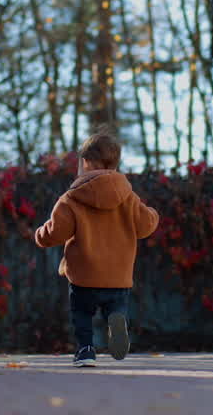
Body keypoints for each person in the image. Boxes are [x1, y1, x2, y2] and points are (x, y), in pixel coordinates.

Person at [33, 128, 159, 367]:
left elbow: (56, 231)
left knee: (82, 316)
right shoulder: (128, 196)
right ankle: (116, 319)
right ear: (115, 164)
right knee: (116, 307)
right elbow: (145, 225)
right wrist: (153, 214)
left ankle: (86, 351)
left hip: (83, 276)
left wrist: (40, 234)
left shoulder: (72, 198)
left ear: (85, 162)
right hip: (118, 277)